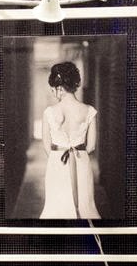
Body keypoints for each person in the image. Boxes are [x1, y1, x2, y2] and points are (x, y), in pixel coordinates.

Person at [39, 61, 101, 219]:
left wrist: (58, 158)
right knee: (85, 205)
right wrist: (77, 155)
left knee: (56, 207)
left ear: (59, 88)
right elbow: (91, 146)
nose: (53, 93)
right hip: (82, 162)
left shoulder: (49, 112)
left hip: (57, 163)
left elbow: (46, 146)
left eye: (53, 89)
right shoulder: (89, 111)